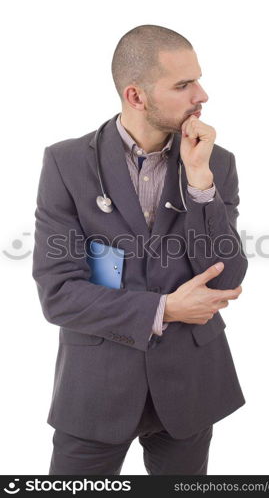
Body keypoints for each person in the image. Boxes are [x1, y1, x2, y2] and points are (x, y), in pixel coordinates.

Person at [32, 24, 248, 475]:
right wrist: (164, 308)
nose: (201, 94)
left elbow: (225, 278)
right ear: (136, 96)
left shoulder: (215, 162)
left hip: (189, 383)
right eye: (183, 84)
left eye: (198, 79)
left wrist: (199, 183)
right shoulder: (67, 164)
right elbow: (58, 293)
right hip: (96, 385)